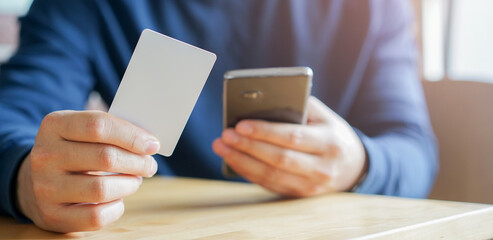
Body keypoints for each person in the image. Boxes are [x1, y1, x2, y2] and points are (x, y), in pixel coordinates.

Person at [0, 0, 438, 233]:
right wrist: (25, 180)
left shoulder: (372, 5)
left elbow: (413, 149)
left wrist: (357, 162)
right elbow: (10, 116)